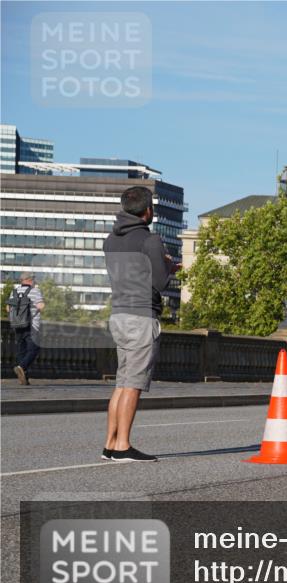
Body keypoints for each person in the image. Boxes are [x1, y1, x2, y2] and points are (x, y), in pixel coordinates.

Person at [102, 186, 179, 462]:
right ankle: (123, 445)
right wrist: (169, 265)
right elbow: (159, 282)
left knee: (122, 383)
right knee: (133, 384)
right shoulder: (150, 241)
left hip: (119, 313)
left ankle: (109, 443)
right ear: (148, 211)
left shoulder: (110, 240)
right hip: (141, 315)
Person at [7, 272, 45, 385]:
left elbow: (8, 308)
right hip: (31, 325)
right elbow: (41, 306)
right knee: (35, 348)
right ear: (29, 280)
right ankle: (22, 367)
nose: (34, 282)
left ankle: (24, 378)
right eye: (34, 279)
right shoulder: (35, 291)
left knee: (21, 350)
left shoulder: (14, 291)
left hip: (17, 325)